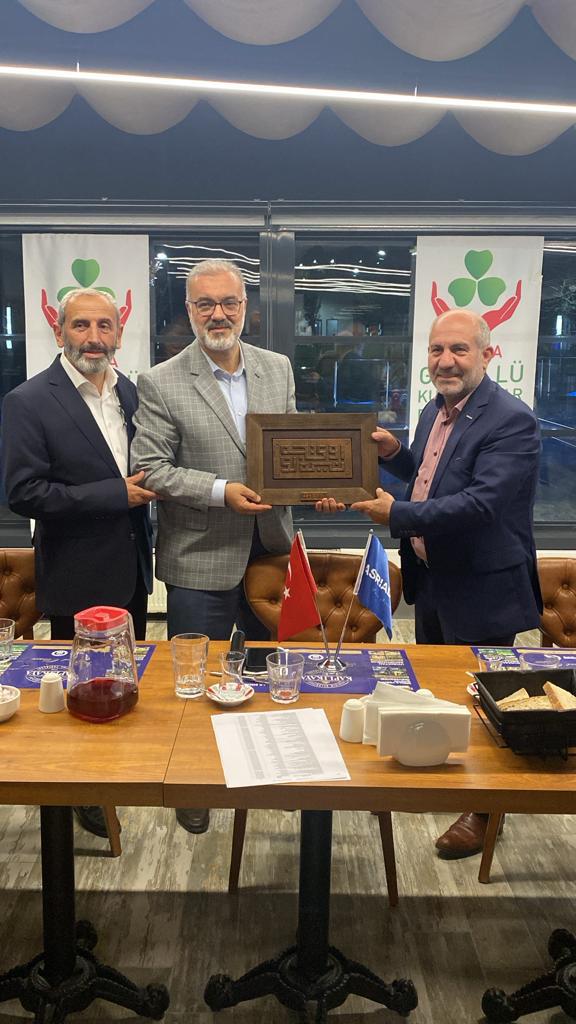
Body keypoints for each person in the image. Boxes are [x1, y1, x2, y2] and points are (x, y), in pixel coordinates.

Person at [319, 308, 543, 858]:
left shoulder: (511, 420)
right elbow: (434, 475)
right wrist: (397, 455)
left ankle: (485, 811)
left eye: (459, 350)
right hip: (435, 580)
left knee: (486, 703)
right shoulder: (435, 409)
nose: (446, 361)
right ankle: (450, 778)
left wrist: (395, 515)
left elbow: (480, 504)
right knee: (440, 691)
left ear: (488, 355)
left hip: (483, 587)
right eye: (437, 350)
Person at [131, 258, 295, 833]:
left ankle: (266, 767)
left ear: (246, 308)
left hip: (271, 547)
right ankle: (193, 782)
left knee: (266, 669)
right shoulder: (161, 380)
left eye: (229, 303)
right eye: (205, 304)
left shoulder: (277, 369)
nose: (218, 314)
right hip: (199, 554)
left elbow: (290, 449)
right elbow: (150, 469)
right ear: (189, 310)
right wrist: (221, 490)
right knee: (195, 679)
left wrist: (318, 486)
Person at [1, 287, 156, 840]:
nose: (94, 338)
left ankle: (118, 775)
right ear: (59, 330)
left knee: (125, 683)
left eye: (104, 326)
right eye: (81, 325)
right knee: (84, 694)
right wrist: (115, 494)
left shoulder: (130, 392)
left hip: (132, 568)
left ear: (119, 333)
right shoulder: (28, 401)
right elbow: (23, 492)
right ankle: (82, 791)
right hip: (76, 573)